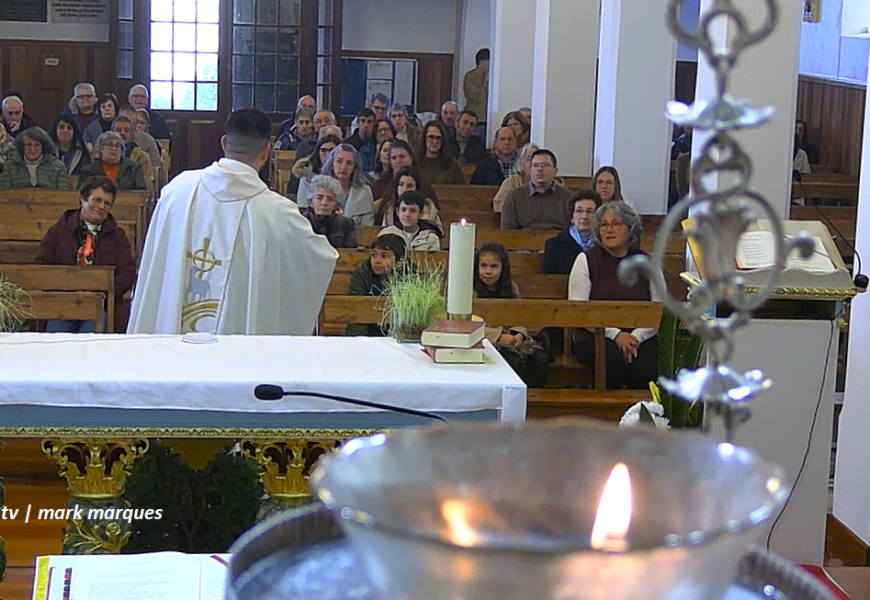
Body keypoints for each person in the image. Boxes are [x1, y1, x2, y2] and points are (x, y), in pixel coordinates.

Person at [128, 108, 338, 335]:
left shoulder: (177, 191)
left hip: (173, 351)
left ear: (224, 142)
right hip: (239, 358)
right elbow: (320, 259)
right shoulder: (278, 213)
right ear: (266, 151)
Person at [568, 201, 660, 389]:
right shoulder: (586, 260)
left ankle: (643, 415)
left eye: (616, 224)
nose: (609, 229)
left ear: (630, 228)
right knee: (612, 360)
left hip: (641, 335)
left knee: (645, 367)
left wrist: (635, 338)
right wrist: (617, 335)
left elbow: (658, 310)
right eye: (604, 225)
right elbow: (579, 310)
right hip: (595, 335)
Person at [35, 176, 136, 333]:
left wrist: (103, 292)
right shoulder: (58, 231)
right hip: (63, 304)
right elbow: (42, 267)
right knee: (57, 338)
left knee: (93, 339)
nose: (101, 206)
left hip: (99, 305)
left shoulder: (117, 236)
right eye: (96, 200)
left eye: (107, 203)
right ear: (82, 199)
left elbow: (127, 273)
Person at [474, 241, 549, 388]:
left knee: (540, 358)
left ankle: (533, 400)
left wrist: (519, 334)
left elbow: (519, 315)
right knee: (513, 360)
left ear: (503, 268)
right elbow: (467, 323)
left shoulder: (511, 287)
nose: (488, 271)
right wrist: (499, 336)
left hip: (511, 336)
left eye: (494, 266)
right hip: (484, 338)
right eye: (483, 266)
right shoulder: (470, 289)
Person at [346, 234, 407, 337]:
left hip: (399, 334)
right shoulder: (362, 275)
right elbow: (358, 312)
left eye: (384, 256)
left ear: (399, 262)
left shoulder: (409, 275)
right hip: (369, 334)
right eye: (374, 255)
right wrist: (361, 342)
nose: (377, 261)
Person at [500, 148, 572, 230]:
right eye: (536, 165)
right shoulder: (515, 197)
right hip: (523, 241)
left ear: (555, 171)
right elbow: (507, 231)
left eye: (545, 165)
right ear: (530, 170)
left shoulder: (568, 197)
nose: (540, 169)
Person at [542, 189, 602, 275]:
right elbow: (547, 281)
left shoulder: (604, 244)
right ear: (572, 216)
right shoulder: (554, 246)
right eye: (579, 211)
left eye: (590, 211)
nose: (584, 216)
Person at [370, 139, 441, 209]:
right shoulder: (379, 186)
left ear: (411, 159)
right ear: (390, 162)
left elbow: (435, 211)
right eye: (394, 158)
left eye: (402, 157)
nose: (398, 161)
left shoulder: (423, 185)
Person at [320, 143, 374, 226]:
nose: (343, 167)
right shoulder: (320, 188)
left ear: (354, 168)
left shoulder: (364, 192)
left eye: (349, 163)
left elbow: (367, 226)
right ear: (332, 165)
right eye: (339, 161)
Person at [373, 166, 441, 229]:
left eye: (410, 186)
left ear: (416, 188)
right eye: (401, 185)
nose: (404, 189)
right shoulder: (384, 206)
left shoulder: (429, 210)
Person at [0, 127, 70, 189]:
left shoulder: (58, 166)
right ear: (22, 146)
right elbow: (4, 194)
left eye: (37, 145)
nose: (32, 149)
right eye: (28, 145)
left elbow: (64, 195)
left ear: (43, 147)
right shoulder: (10, 165)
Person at [80, 131, 147, 191]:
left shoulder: (134, 168)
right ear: (101, 148)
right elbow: (83, 193)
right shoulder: (88, 170)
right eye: (109, 145)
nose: (114, 148)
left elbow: (141, 193)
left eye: (117, 146)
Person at [304, 175, 357, 249]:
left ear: (337, 205)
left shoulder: (346, 223)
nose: (324, 203)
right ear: (310, 202)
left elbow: (351, 253)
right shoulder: (301, 221)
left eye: (330, 199)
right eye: (319, 198)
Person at [112, 116, 155, 194]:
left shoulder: (142, 156)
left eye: (126, 130)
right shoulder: (103, 155)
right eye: (118, 130)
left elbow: (147, 188)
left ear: (132, 134)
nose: (122, 133)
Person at [292, 134, 340, 204]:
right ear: (318, 152)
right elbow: (302, 204)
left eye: (332, 150)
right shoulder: (307, 176)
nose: (328, 154)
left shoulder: (344, 175)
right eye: (323, 150)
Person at [493, 142, 540, 212]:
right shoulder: (512, 182)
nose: (533, 163)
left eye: (536, 159)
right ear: (522, 163)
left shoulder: (547, 182)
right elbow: (499, 204)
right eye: (529, 159)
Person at [419, 120, 465, 185]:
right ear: (424, 138)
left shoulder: (452, 164)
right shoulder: (415, 162)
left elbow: (461, 190)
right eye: (431, 137)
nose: (435, 142)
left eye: (438, 138)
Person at [118, 105, 163, 169]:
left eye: (130, 124)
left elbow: (156, 166)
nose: (124, 131)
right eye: (121, 124)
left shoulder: (148, 141)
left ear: (136, 124)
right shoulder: (106, 139)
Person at [463, 48, 489, 137]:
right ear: (482, 61)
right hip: (475, 118)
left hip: (488, 119)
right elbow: (478, 98)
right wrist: (485, 81)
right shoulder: (470, 77)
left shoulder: (493, 76)